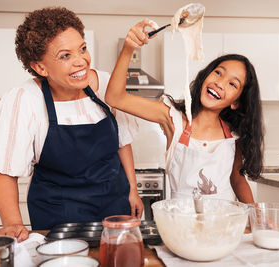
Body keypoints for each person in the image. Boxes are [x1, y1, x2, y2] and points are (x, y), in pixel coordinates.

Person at [0, 7, 143, 241]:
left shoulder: (106, 84)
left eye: (83, 49)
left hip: (115, 206)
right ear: (40, 67)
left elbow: (122, 142)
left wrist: (133, 190)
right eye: (65, 56)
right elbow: (4, 172)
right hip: (58, 215)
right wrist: (13, 223)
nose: (81, 61)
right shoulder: (24, 99)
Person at [105, 20, 264, 203]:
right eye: (218, 73)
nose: (220, 83)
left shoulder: (232, 134)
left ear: (236, 102)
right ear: (207, 75)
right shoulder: (173, 118)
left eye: (232, 84)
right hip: (182, 225)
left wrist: (256, 214)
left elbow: (237, 179)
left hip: (222, 224)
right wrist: (128, 48)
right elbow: (114, 98)